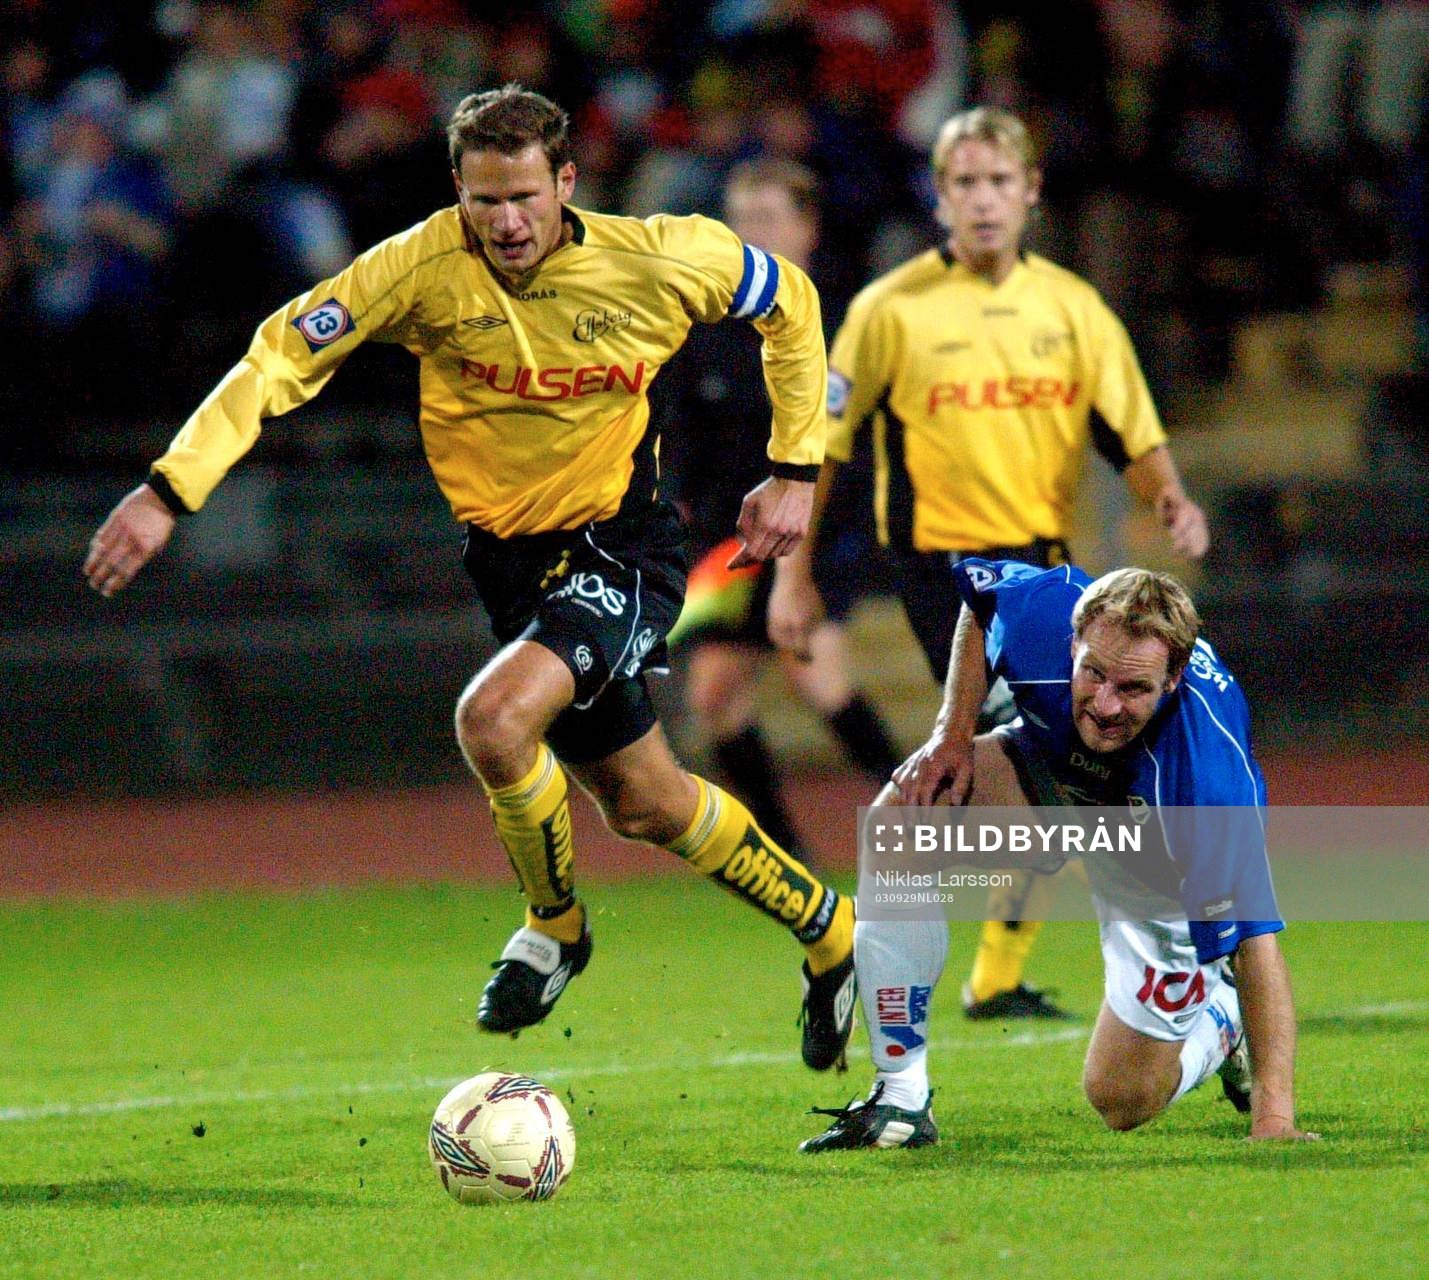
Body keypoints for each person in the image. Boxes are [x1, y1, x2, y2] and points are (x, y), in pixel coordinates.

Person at [82, 84, 858, 1072]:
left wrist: (793, 467)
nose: (507, 221)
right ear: (457, 189)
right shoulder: (416, 268)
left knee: (493, 721)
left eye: (526, 196)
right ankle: (832, 931)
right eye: (485, 200)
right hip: (508, 561)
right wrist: (167, 488)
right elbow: (280, 356)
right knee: (647, 803)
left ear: (566, 182)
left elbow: (788, 302)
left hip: (621, 542)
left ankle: (555, 928)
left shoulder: (660, 257)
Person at [770, 105, 1210, 1020]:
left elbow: (1129, 426)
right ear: (938, 195)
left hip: (1045, 573)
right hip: (945, 576)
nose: (981, 200)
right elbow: (826, 450)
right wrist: (793, 573)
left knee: (1045, 771)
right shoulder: (889, 310)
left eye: (998, 182)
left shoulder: (1072, 308)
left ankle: (967, 970)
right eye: (963, 182)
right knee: (1058, 766)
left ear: (1029, 192)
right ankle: (1167, 975)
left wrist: (1167, 494)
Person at [800, 560, 1319, 1149]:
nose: (1104, 705)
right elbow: (981, 602)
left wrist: (1273, 1120)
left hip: (1152, 861)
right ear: (1071, 642)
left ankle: (1221, 1023)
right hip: (1054, 779)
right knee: (902, 825)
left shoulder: (1206, 782)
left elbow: (1255, 944)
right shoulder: (1046, 611)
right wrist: (951, 733)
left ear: (1173, 680)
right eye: (1093, 673)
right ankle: (901, 1097)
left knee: (1122, 1099)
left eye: (1133, 688)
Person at [659, 158, 902, 862]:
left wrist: (826, 542)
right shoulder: (702, 322)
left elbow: (848, 445)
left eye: (769, 218)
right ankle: (781, 851)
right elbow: (674, 429)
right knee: (712, 697)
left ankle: (929, 826)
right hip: (724, 542)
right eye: (742, 220)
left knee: (816, 673)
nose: (753, 233)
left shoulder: (838, 321)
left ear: (807, 227)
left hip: (815, 538)